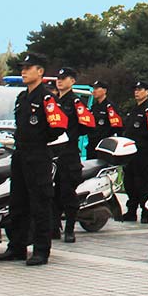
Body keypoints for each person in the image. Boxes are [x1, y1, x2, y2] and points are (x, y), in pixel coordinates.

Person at [0, 53, 68, 266]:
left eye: (28, 68)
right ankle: (16, 247)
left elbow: (58, 126)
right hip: (20, 154)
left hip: (38, 155)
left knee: (40, 203)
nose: (23, 72)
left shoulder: (46, 98)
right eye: (22, 68)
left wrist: (39, 141)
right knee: (18, 202)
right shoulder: (22, 97)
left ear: (40, 72)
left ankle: (41, 251)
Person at [51, 67, 95, 243]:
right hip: (53, 153)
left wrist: (72, 135)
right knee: (52, 193)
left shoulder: (76, 102)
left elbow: (88, 125)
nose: (60, 81)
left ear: (72, 81)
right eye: (58, 78)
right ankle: (54, 227)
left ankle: (69, 229)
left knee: (68, 192)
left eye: (64, 78)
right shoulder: (52, 101)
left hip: (68, 154)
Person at [121, 81, 148, 223]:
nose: (136, 92)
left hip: (142, 153)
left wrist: (146, 148)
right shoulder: (133, 110)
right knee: (129, 183)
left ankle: (145, 212)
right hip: (129, 153)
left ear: (147, 92)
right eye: (135, 89)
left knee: (143, 183)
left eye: (140, 90)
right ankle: (131, 211)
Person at [86, 80, 123, 150]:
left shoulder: (110, 107)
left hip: (104, 145)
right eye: (93, 89)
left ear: (104, 91)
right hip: (92, 143)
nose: (94, 91)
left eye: (96, 88)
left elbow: (117, 127)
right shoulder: (94, 107)